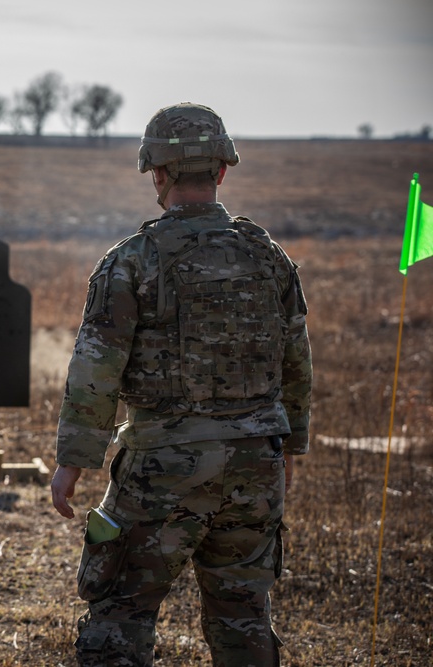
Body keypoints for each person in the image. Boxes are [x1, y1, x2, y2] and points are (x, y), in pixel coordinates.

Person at [49, 102, 313, 666]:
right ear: (221, 171)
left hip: (162, 468)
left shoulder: (131, 260)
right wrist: (290, 443)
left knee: (119, 614)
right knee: (244, 617)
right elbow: (297, 359)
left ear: (157, 174)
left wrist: (74, 460)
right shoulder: (270, 258)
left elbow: (96, 367)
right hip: (256, 465)